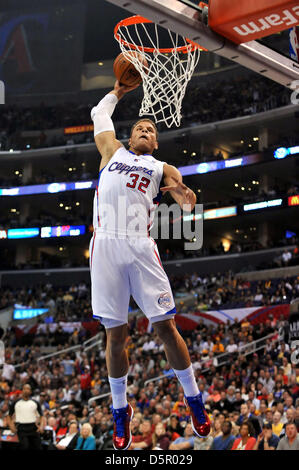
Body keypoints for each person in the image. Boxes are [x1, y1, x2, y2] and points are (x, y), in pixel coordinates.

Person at [89, 80, 210, 450]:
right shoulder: (113, 151)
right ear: (131, 135)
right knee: (115, 335)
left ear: (156, 142)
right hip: (106, 242)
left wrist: (185, 196)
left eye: (151, 130)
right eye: (140, 127)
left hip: (141, 247)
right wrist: (118, 91)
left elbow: (183, 193)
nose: (145, 130)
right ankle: (120, 410)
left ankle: (193, 400)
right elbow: (98, 114)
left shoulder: (161, 167)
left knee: (166, 328)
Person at [7, 383, 45, 450]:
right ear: (22, 391)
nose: (26, 390)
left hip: (33, 427)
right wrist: (11, 426)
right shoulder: (15, 402)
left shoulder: (35, 402)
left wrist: (41, 426)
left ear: (30, 392)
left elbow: (42, 416)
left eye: (28, 389)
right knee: (25, 446)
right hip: (21, 428)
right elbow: (9, 416)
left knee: (38, 447)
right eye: (24, 388)